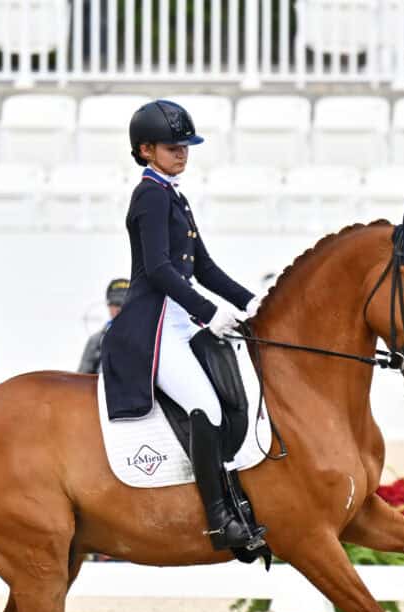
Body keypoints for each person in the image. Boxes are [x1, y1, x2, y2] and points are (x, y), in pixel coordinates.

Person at [100, 99, 265, 553]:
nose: (182, 153)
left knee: (238, 392)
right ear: (145, 150)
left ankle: (238, 499)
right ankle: (218, 521)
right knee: (206, 406)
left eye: (186, 146)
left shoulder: (174, 193)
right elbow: (158, 270)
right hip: (153, 327)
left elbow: (204, 267)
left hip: (180, 319)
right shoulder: (150, 195)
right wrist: (211, 313)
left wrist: (253, 302)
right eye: (173, 146)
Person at [78, 278, 130, 374]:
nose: (119, 308)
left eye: (124, 303)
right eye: (115, 303)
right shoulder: (96, 341)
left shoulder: (148, 338)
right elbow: (81, 380)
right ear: (108, 305)